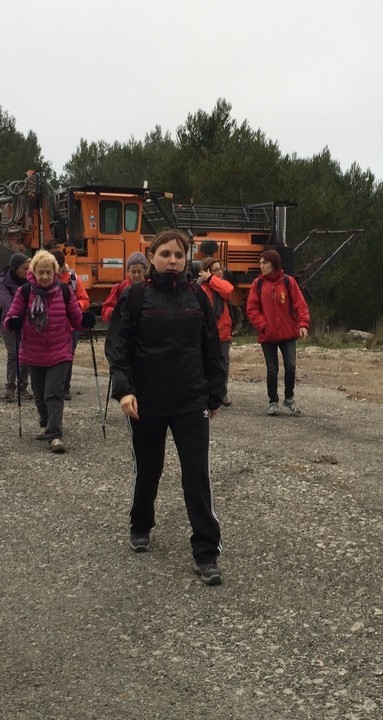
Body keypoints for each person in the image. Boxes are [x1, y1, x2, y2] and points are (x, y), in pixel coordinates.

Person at [105, 230, 226, 585]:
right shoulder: (136, 296)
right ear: (152, 256)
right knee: (149, 469)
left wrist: (214, 394)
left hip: (191, 402)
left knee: (196, 477)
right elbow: (119, 347)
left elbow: (211, 347)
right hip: (146, 402)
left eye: (179, 254)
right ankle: (141, 523)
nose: (173, 260)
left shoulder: (197, 297)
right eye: (165, 254)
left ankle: (206, 552)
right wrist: (124, 390)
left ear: (186, 259)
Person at [3, 249, 92, 454]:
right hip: (33, 352)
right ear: (33, 272)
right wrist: (13, 323)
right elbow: (11, 316)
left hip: (60, 350)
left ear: (55, 272)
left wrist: (85, 322)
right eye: (40, 272)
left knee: (53, 393)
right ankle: (44, 423)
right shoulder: (25, 292)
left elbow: (76, 318)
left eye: (48, 272)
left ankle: (55, 435)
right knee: (39, 394)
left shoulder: (64, 290)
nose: (44, 276)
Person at [245, 249, 310, 416]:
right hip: (267, 335)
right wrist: (262, 324)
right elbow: (252, 309)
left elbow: (300, 304)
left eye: (264, 263)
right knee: (272, 369)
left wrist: (303, 324)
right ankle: (272, 401)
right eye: (260, 263)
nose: (261, 266)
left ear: (273, 264)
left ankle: (289, 398)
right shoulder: (257, 284)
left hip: (288, 333)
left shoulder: (288, 282)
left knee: (291, 365)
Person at [49, 247, 90, 401]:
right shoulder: (47, 279)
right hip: (52, 326)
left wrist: (73, 308)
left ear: (60, 266)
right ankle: (53, 386)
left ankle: (65, 388)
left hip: (71, 327)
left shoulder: (73, 280)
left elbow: (85, 300)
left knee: (67, 357)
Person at [197, 256, 234, 406]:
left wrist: (212, 278)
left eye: (220, 270)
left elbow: (228, 290)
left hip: (223, 332)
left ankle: (222, 392)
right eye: (215, 270)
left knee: (223, 364)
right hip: (207, 332)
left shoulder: (222, 284)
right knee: (205, 363)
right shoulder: (201, 287)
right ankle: (206, 391)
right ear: (206, 271)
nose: (219, 272)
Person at [0, 252, 33, 401]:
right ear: (15, 268)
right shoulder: (3, 282)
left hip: (28, 322)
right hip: (9, 322)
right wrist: (16, 316)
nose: (28, 271)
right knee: (14, 352)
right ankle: (10, 387)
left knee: (25, 354)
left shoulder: (31, 281)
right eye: (25, 268)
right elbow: (7, 303)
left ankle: (23, 387)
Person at [100, 251, 147, 324]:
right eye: (133, 272)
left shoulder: (150, 287)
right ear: (128, 272)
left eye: (139, 271)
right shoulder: (120, 287)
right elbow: (105, 310)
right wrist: (113, 313)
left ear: (144, 271)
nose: (136, 275)